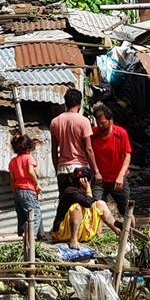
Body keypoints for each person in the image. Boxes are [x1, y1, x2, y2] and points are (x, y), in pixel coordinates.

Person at [50, 89, 101, 233]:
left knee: (65, 203)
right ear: (79, 104)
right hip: (79, 168)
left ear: (65, 103)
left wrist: (57, 168)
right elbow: (89, 149)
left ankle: (60, 231)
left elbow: (54, 150)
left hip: (62, 169)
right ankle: (79, 234)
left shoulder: (55, 122)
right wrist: (96, 171)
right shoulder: (83, 121)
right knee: (82, 202)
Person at [52, 167, 121, 250]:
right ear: (86, 181)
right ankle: (73, 240)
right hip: (62, 233)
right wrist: (88, 188)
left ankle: (119, 231)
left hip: (81, 233)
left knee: (101, 204)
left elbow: (92, 205)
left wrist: (88, 191)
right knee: (77, 207)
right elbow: (88, 203)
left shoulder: (85, 193)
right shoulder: (70, 191)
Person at [90, 104, 132, 212]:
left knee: (126, 209)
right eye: (98, 123)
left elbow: (127, 155)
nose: (100, 126)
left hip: (118, 179)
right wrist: (96, 172)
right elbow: (89, 154)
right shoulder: (93, 134)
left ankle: (129, 228)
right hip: (99, 180)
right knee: (95, 208)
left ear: (110, 120)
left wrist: (121, 175)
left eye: (103, 123)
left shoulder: (120, 133)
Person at [8, 134, 43, 239]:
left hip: (18, 190)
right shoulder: (28, 158)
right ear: (28, 148)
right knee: (35, 214)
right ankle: (29, 237)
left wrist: (14, 191)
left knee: (22, 215)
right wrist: (37, 184)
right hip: (28, 190)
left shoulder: (13, 161)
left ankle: (22, 235)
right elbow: (31, 171)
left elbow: (12, 178)